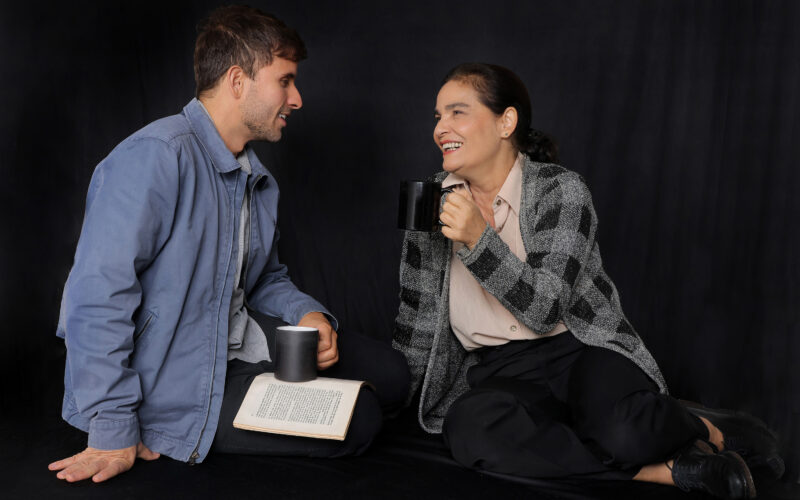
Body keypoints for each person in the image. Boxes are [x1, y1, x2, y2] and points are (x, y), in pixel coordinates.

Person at [49, 5, 408, 484]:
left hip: (235, 340)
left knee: (394, 376)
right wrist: (113, 425)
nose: (297, 98)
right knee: (361, 420)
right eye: (285, 81)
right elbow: (93, 299)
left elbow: (263, 279)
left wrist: (307, 314)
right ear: (238, 81)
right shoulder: (154, 158)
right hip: (173, 383)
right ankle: (171, 421)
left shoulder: (255, 177)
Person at [392, 63, 783, 500]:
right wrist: (391, 397)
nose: (440, 127)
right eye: (437, 116)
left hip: (578, 349)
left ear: (506, 121)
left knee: (625, 431)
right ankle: (660, 472)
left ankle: (703, 427)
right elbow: (418, 315)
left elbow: (545, 309)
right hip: (498, 369)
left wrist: (478, 239)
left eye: (456, 112)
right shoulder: (431, 197)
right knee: (470, 432)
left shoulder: (561, 190)